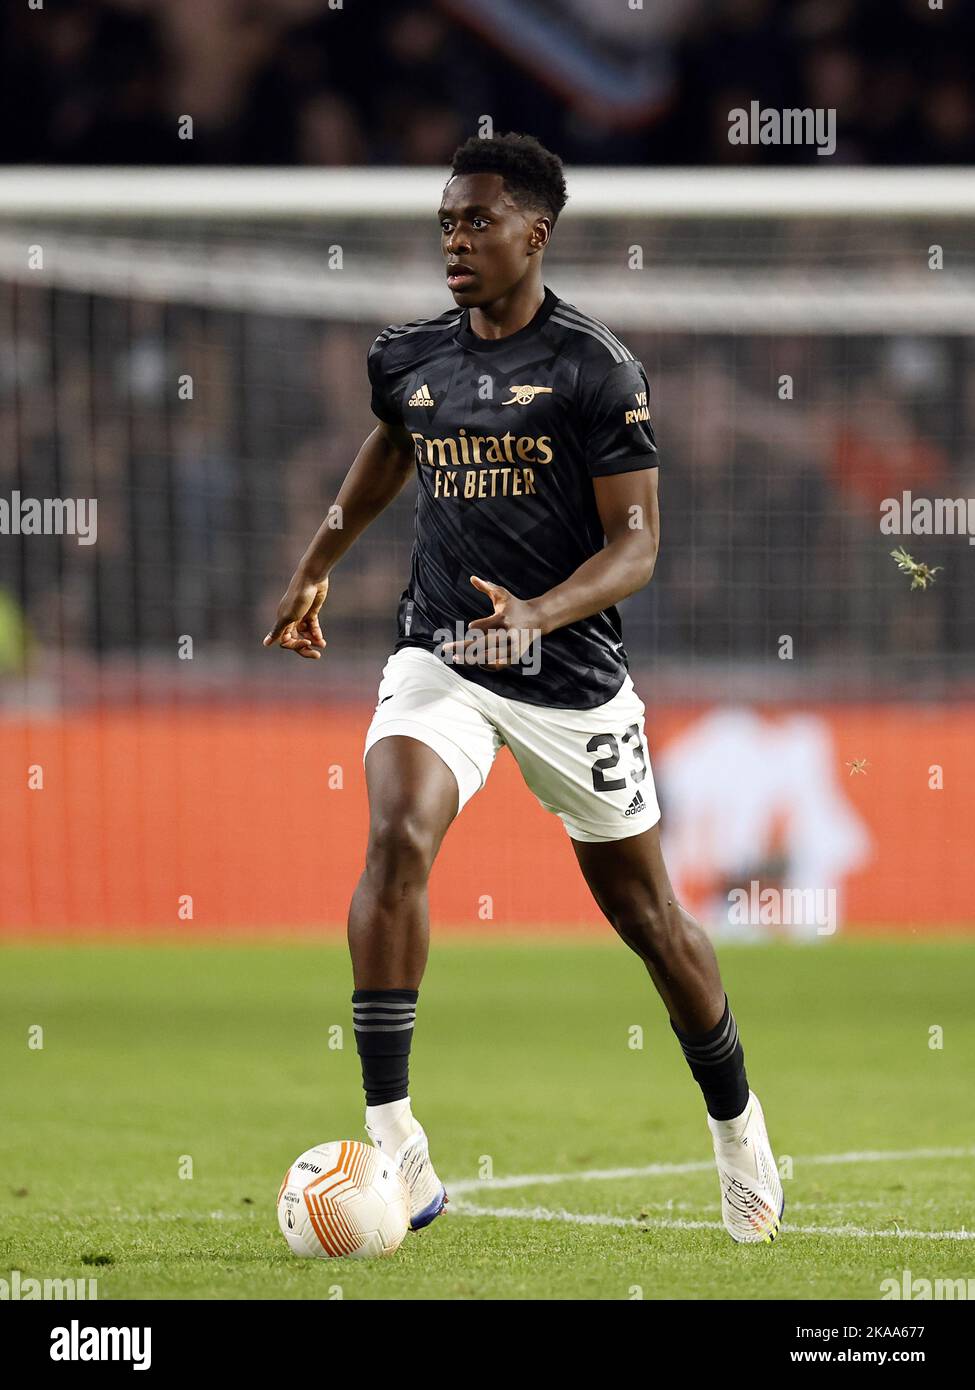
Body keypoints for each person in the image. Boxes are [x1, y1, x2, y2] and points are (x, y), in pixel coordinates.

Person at [264, 132, 783, 1244]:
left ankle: (739, 1126)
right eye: (446, 221)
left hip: (572, 681)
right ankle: (396, 1139)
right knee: (398, 833)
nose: (456, 239)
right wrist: (317, 563)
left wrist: (539, 616)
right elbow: (393, 447)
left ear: (535, 233)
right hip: (442, 655)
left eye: (478, 221)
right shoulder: (409, 356)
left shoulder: (598, 367)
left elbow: (636, 546)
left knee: (647, 917)